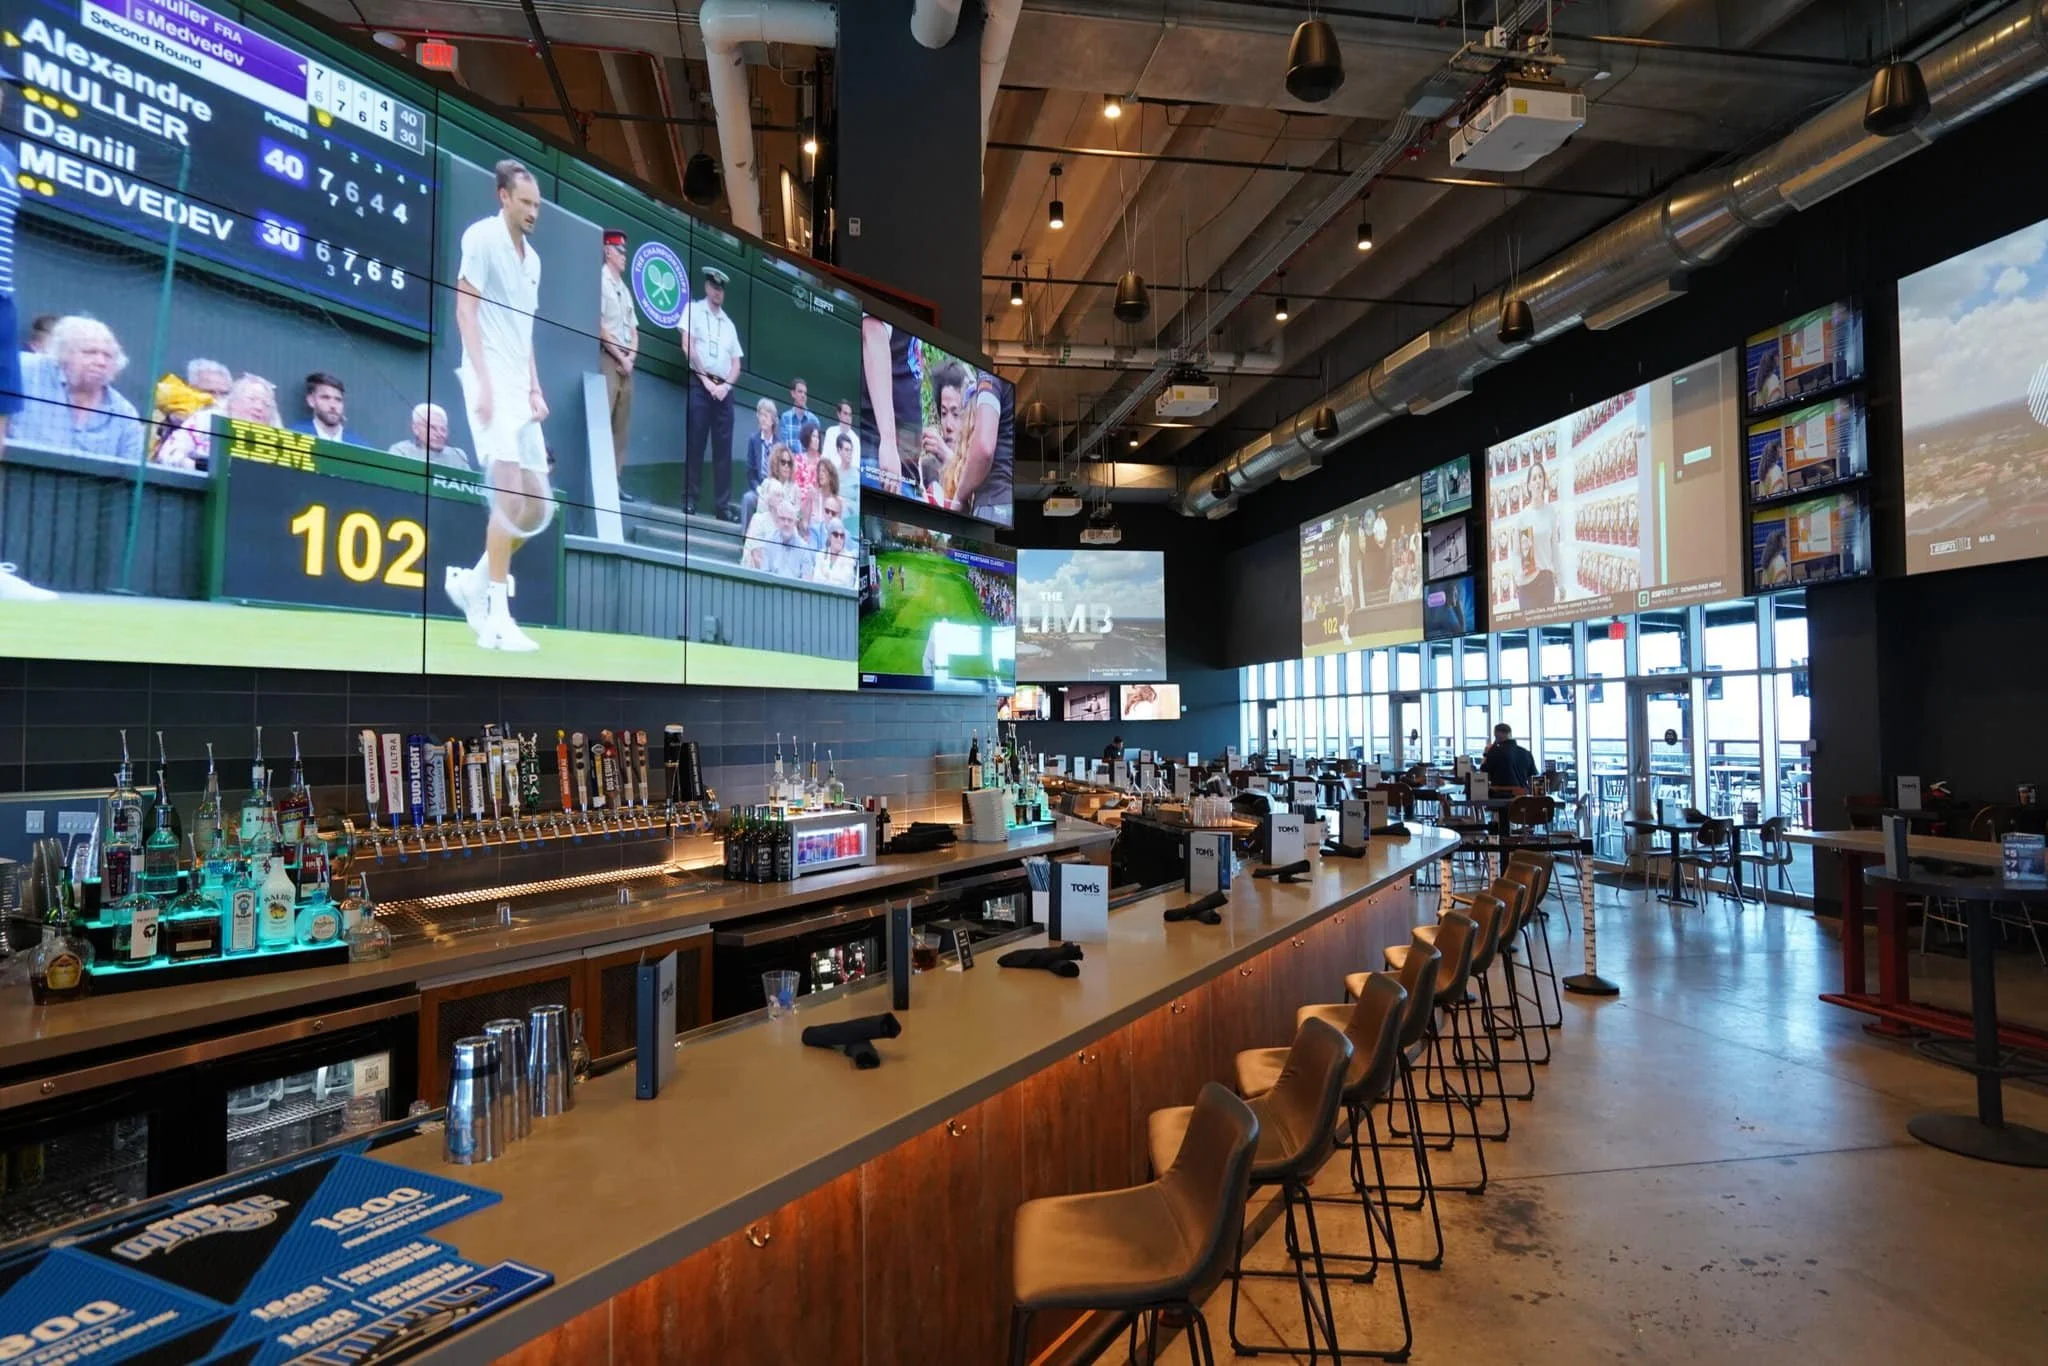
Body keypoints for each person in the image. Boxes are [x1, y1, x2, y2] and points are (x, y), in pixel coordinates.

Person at [448, 158, 552, 653]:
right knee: (508, 496)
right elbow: (464, 309)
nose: (533, 211)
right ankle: (494, 615)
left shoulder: (533, 262)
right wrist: (485, 383)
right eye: (526, 202)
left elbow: (524, 331)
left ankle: (472, 583)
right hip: (487, 380)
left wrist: (534, 386)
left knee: (536, 510)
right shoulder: (481, 238)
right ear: (503, 197)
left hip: (519, 389)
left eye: (538, 204)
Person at [11, 316, 145, 464]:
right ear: (64, 354)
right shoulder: (24, 371)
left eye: (108, 356)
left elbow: (133, 476)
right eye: (90, 352)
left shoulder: (125, 416)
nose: (100, 362)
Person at [681, 263, 743, 519]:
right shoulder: (693, 310)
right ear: (707, 286)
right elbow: (687, 346)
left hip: (724, 391)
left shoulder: (728, 324)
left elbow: (737, 363)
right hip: (700, 384)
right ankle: (690, 500)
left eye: (721, 289)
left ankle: (722, 506)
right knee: (695, 443)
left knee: (723, 449)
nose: (718, 292)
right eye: (714, 287)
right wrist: (706, 381)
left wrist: (726, 386)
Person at [598, 228, 638, 496]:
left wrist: (631, 357)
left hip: (626, 364)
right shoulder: (601, 281)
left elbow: (635, 331)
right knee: (604, 419)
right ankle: (600, 482)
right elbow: (599, 325)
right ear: (607, 251)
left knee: (621, 428)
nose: (625, 256)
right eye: (620, 251)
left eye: (625, 251)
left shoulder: (624, 289)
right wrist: (620, 356)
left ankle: (615, 481)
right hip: (609, 359)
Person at [742, 485, 815, 580]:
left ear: (795, 522)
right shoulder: (768, 543)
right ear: (778, 521)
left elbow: (807, 579)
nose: (786, 523)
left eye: (790, 520)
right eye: (783, 519)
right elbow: (764, 575)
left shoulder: (804, 548)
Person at [1519, 460, 1559, 608]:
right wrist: (1519, 576)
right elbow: (1517, 553)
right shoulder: (1522, 517)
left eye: (1540, 477)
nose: (1537, 481)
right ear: (1529, 485)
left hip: (1547, 580)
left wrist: (1559, 580)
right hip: (1528, 582)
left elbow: (1555, 547)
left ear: (1544, 481)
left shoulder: (1550, 512)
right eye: (1534, 478)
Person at [388, 403, 472, 471]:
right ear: (416, 429)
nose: (439, 434)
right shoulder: (401, 451)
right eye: (432, 428)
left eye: (443, 430)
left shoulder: (457, 456)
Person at [289, 371, 365, 445]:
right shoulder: (296, 436)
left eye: (338, 399)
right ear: (311, 400)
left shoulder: (359, 445)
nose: (333, 405)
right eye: (325, 398)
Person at [1480, 724, 1539, 791]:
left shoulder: (1494, 752)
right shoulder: (1526, 753)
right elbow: (1533, 778)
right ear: (1510, 734)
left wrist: (1486, 754)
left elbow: (1483, 775)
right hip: (1522, 798)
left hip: (1500, 797)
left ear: (1496, 736)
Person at [810, 517, 856, 586]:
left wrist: (826, 577)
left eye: (842, 536)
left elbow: (846, 582)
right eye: (835, 535)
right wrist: (834, 578)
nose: (839, 539)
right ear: (829, 536)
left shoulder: (849, 558)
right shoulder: (820, 555)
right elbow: (816, 579)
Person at [776, 376, 812, 453]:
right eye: (800, 392)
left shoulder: (813, 419)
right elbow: (783, 446)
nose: (803, 395)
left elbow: (814, 451)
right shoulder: (785, 417)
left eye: (805, 393)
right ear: (793, 393)